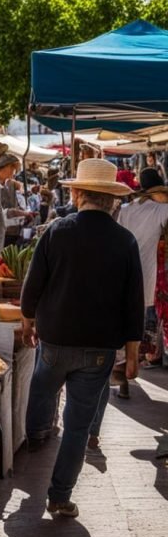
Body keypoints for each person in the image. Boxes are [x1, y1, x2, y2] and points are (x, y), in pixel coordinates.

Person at [21, 158, 143, 518]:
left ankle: (37, 437)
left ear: (76, 194)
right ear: (112, 200)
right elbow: (133, 301)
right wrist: (132, 352)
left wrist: (28, 320)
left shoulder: (58, 230)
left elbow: (33, 284)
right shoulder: (125, 241)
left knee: (42, 388)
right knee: (78, 426)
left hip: (56, 338)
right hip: (100, 348)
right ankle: (59, 496)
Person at [104, 168, 168, 403]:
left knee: (122, 322)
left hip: (121, 273)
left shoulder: (127, 209)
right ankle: (125, 370)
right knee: (137, 324)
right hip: (147, 278)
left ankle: (120, 372)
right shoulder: (161, 209)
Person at [0, 154, 31, 247]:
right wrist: (21, 213)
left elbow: (16, 205)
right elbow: (2, 213)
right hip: (2, 233)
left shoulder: (10, 185)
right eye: (11, 169)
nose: (13, 173)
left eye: (14, 169)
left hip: (14, 231)